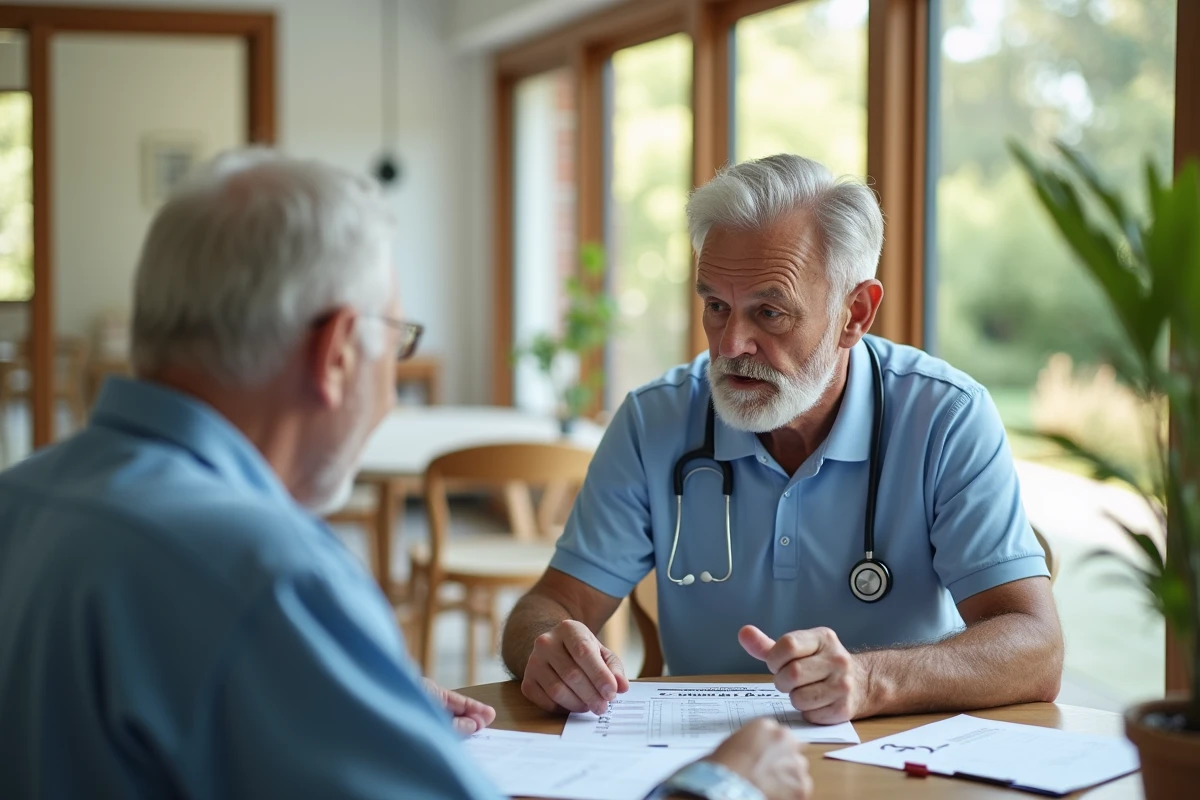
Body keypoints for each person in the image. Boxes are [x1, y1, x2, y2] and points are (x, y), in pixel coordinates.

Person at [0, 149, 810, 800]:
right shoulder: (267, 574)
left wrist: (346, 705)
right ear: (337, 353)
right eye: (397, 342)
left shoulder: (21, 500)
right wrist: (723, 784)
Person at [503, 153, 1064, 725]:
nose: (730, 345)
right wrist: (549, 648)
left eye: (769, 313)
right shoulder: (654, 421)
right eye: (716, 306)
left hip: (889, 752)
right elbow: (551, 604)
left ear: (855, 313)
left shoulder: (946, 417)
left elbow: (1035, 646)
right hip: (704, 751)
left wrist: (871, 682)